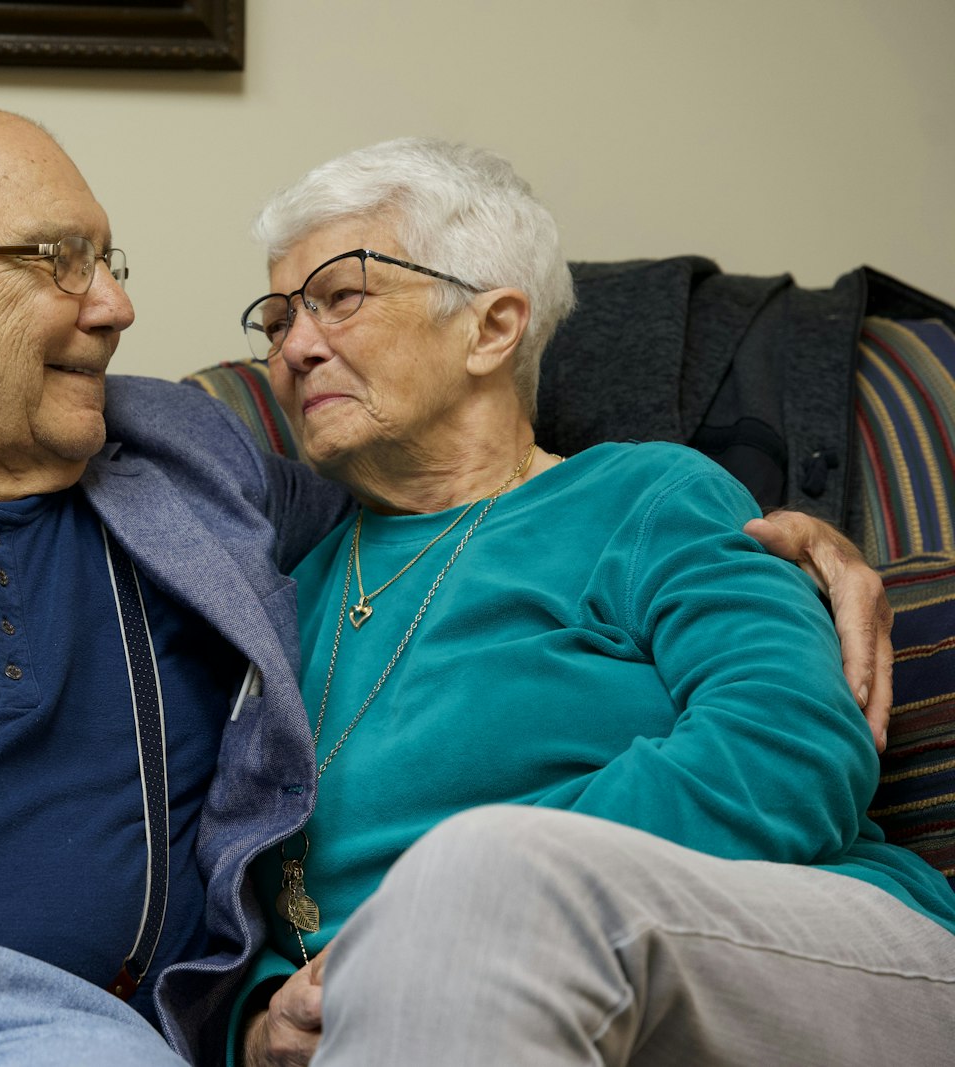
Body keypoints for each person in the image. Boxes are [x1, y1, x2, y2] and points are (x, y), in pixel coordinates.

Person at [0, 106, 885, 1067]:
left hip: (77, 1034)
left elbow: (496, 463)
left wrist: (781, 518)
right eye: (57, 261)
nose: (119, 304)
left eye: (109, 258)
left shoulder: (198, 463)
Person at [233, 137, 955, 1066]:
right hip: (412, 1015)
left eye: (341, 297)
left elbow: (792, 745)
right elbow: (236, 874)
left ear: (492, 329)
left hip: (787, 943)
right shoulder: (278, 583)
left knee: (479, 872)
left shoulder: (649, 497)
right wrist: (257, 1022)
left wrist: (450, 900)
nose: (293, 346)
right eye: (277, 318)